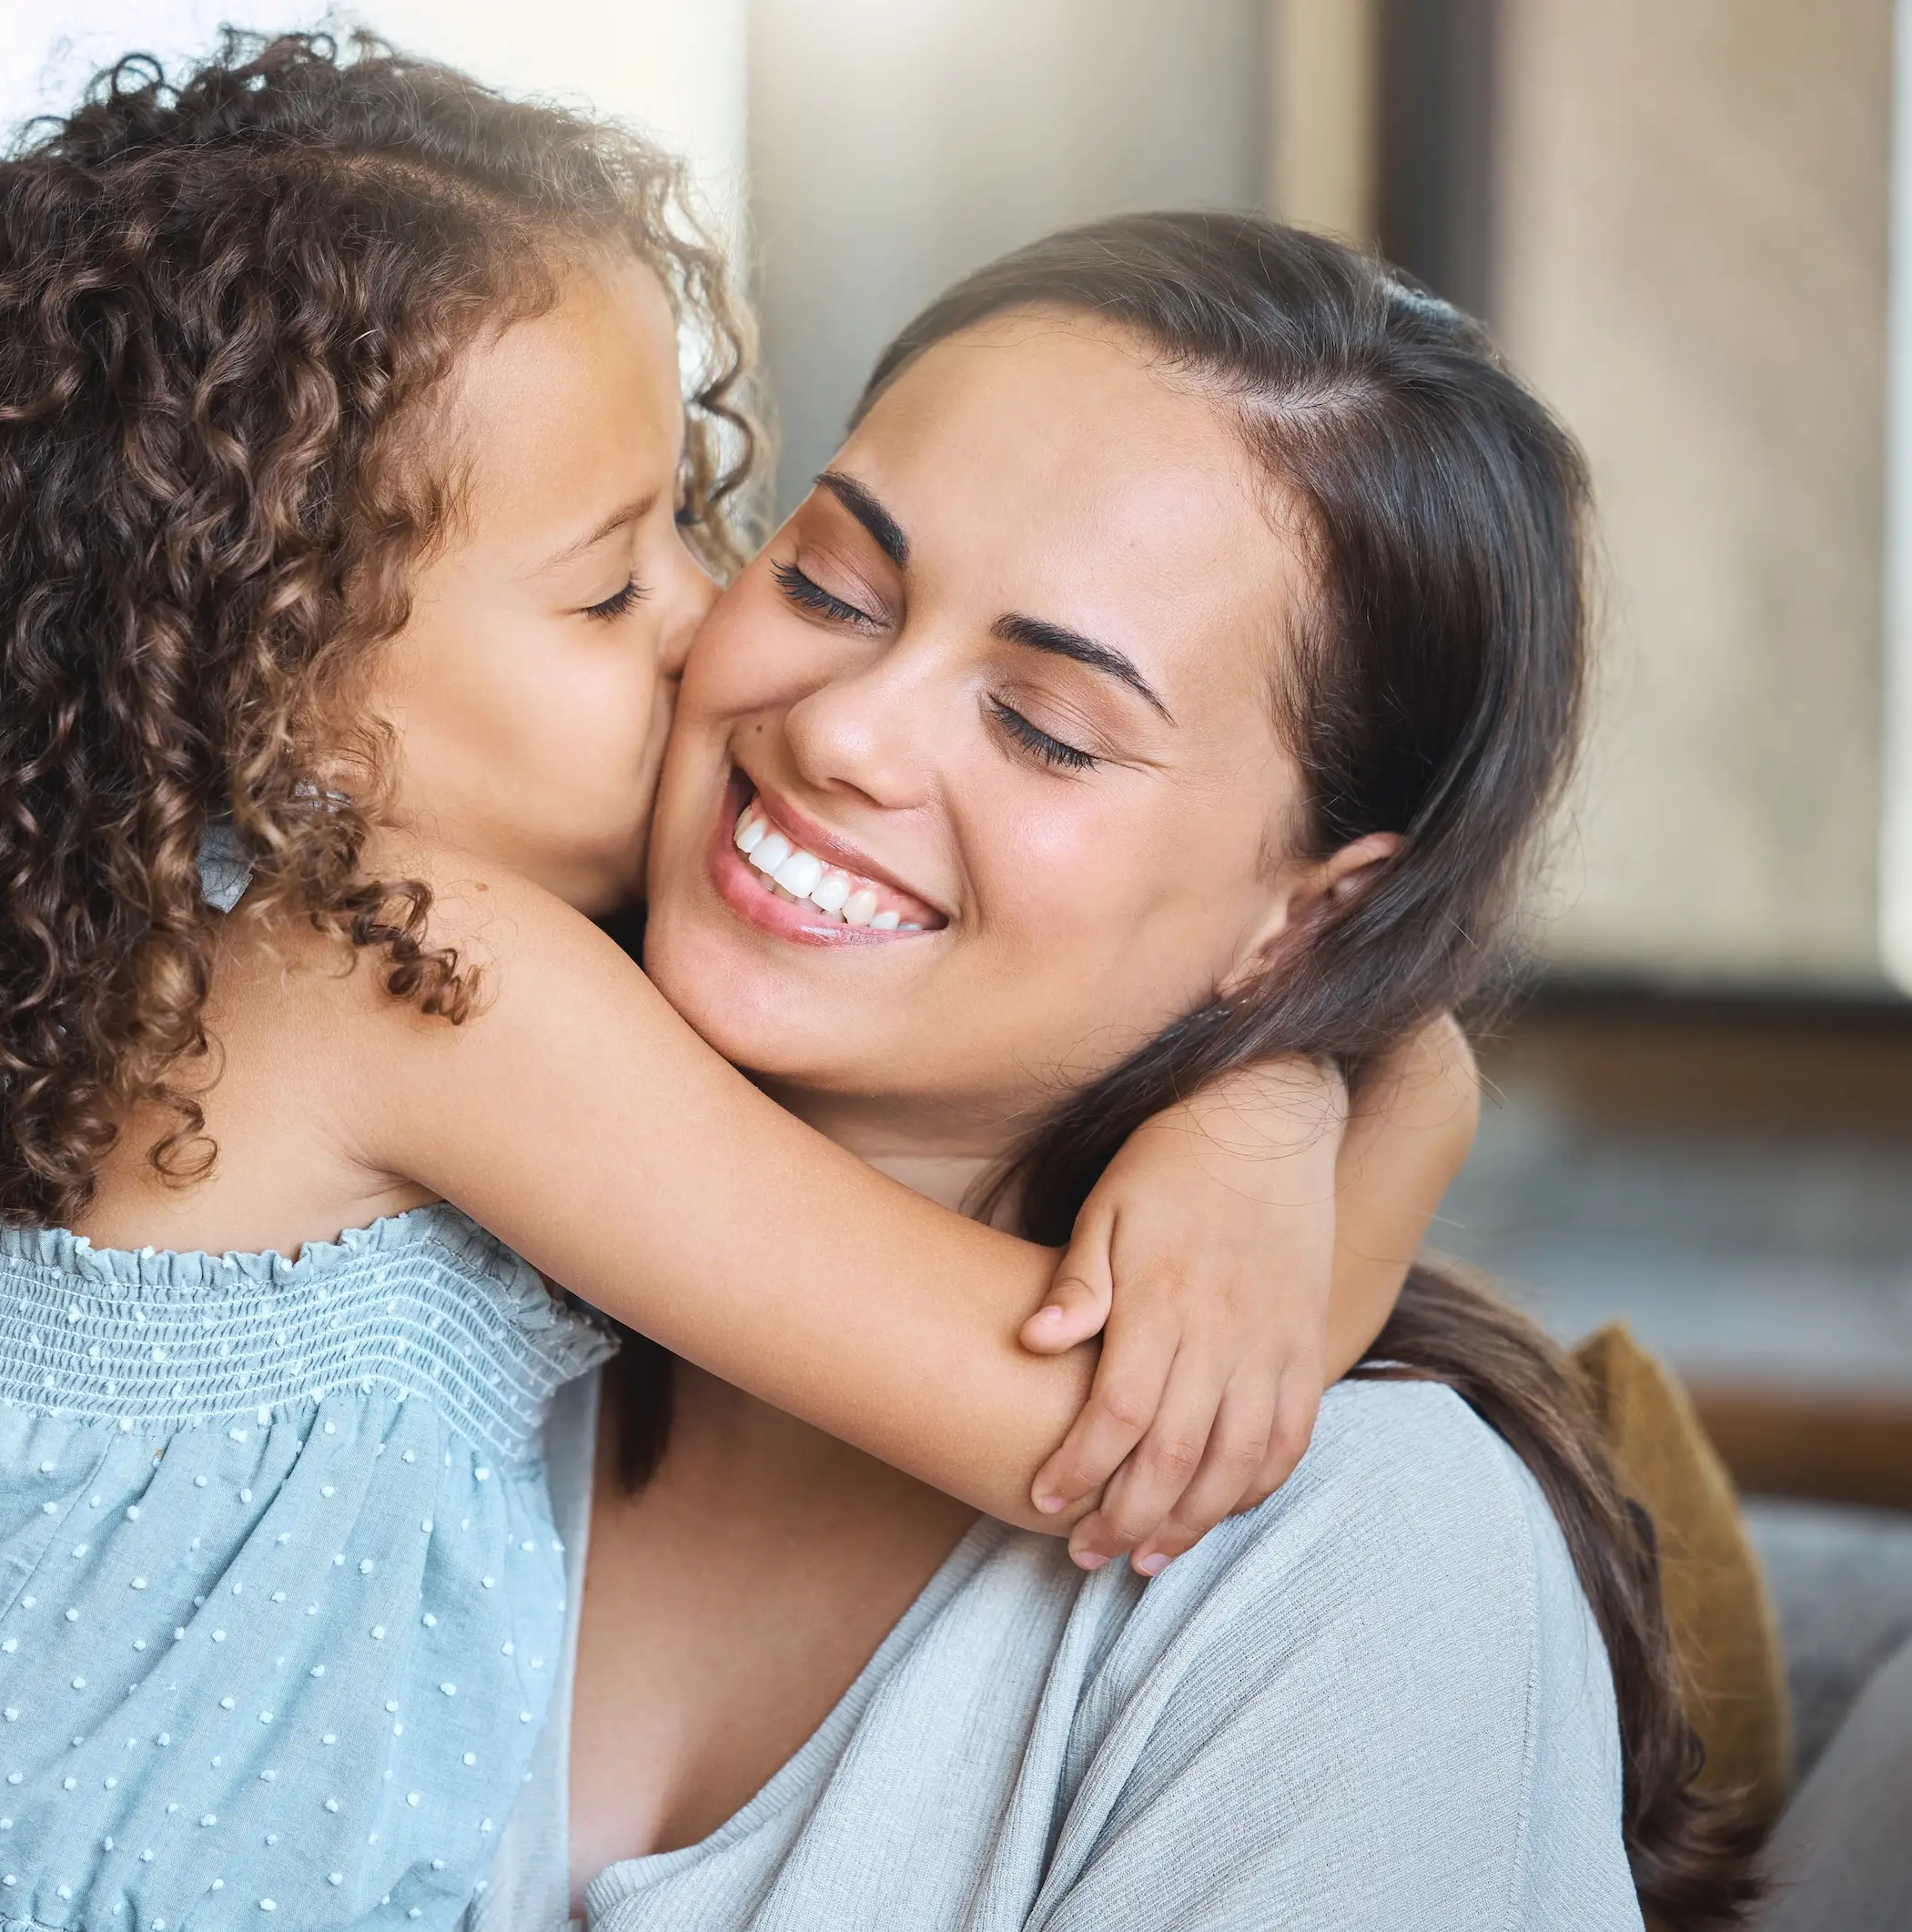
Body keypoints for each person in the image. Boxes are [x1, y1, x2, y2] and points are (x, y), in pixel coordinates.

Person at [0, 41, 1473, 1932]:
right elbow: (1096, 1431)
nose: (709, 623)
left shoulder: (224, 966)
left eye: (695, 515)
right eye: (610, 585)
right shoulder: (396, 967)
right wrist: (1352, 1078)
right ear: (284, 699)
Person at [524, 213, 1765, 1931]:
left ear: (1304, 917)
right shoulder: (373, 1247)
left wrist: (1317, 1072)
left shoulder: (1361, 1558)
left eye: (1045, 724)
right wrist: (1307, 1080)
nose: (842, 729)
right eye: (828, 582)